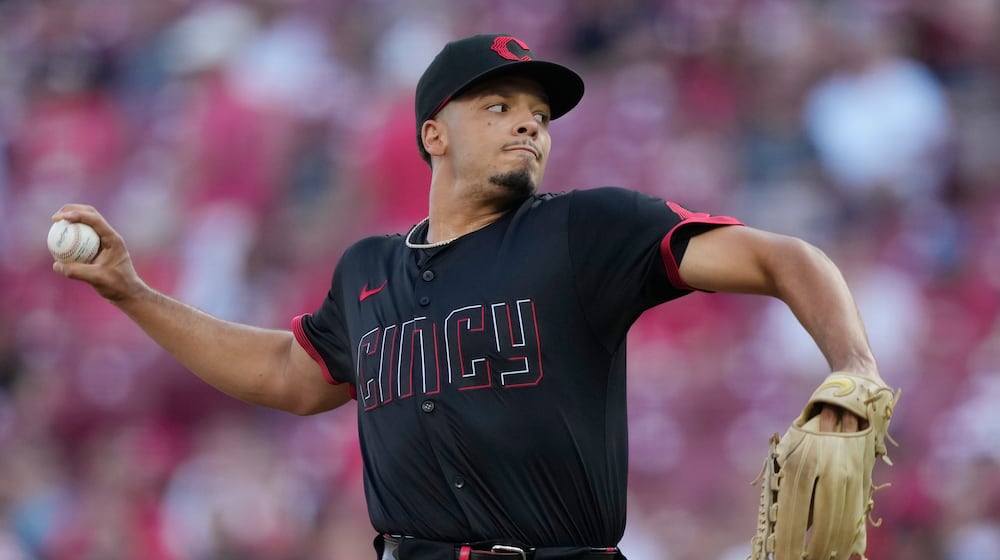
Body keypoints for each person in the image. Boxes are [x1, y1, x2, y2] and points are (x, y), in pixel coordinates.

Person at [51, 34, 885, 560]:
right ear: (433, 134)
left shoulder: (583, 231)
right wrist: (132, 292)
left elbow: (783, 258)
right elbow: (287, 372)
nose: (530, 124)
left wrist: (853, 363)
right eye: (500, 106)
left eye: (540, 115)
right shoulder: (367, 269)